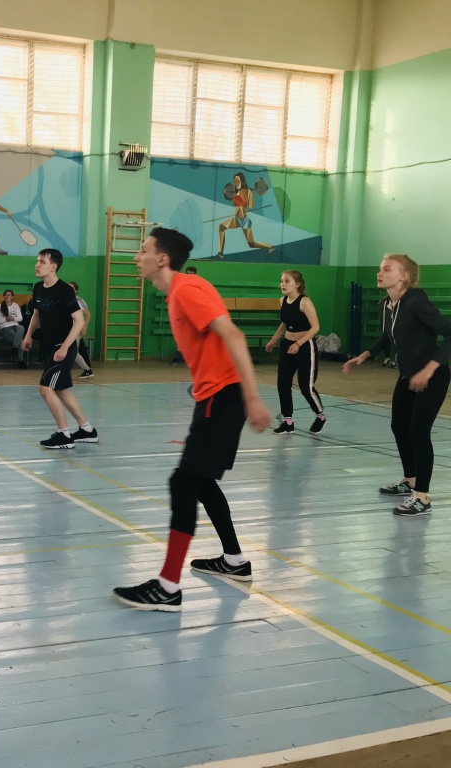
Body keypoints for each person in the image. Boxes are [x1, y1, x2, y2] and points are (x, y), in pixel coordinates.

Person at [112, 227, 271, 612]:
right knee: (200, 481)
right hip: (214, 397)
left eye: (143, 250)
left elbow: (233, 336)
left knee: (183, 482)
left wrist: (252, 398)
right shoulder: (179, 292)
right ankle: (234, 561)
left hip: (224, 397)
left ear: (162, 258)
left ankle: (168, 586)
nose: (136, 257)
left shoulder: (186, 290)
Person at [343, 253, 451, 517]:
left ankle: (422, 498)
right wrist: (366, 354)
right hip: (407, 375)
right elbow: (387, 336)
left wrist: (429, 369)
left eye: (387, 269)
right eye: (380, 268)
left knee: (419, 431)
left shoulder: (416, 301)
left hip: (433, 375)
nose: (379, 273)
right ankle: (410, 480)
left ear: (404, 276)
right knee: (399, 426)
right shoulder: (385, 304)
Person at [21, 248, 98, 448]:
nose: (37, 265)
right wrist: (28, 335)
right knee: (61, 390)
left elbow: (79, 321)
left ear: (53, 267)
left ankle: (64, 435)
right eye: (37, 261)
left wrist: (64, 347)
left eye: (42, 262)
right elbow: (36, 315)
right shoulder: (38, 288)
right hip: (49, 346)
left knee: (45, 388)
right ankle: (87, 430)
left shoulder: (65, 290)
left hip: (63, 348)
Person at [264, 270, 325, 434]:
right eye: (281, 281)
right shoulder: (282, 300)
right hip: (287, 345)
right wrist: (274, 339)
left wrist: (298, 344)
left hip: (305, 346)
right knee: (283, 384)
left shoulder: (304, 302)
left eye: (287, 281)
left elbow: (315, 327)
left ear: (297, 284)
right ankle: (288, 422)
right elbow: (285, 323)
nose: (283, 284)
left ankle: (320, 416)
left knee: (306, 387)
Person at [216, 172, 273, 259]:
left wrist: (249, 195)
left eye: (237, 181)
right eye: (234, 181)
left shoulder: (248, 192)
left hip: (244, 220)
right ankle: (220, 253)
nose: (236, 183)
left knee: (251, 244)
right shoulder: (235, 192)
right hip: (236, 219)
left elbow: (251, 206)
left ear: (242, 181)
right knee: (221, 227)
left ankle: (270, 247)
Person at [170, 265, 198, 365]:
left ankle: (193, 358)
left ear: (195, 274)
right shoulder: (181, 284)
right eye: (188, 273)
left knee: (194, 337)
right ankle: (178, 357)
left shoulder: (198, 285)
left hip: (194, 314)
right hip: (183, 313)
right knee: (181, 335)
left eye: (191, 273)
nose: (189, 275)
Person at [0, 289, 27, 369]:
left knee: (21, 327)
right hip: (5, 327)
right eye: (5, 295)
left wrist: (13, 318)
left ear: (12, 297)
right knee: (21, 341)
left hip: (15, 325)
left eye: (9, 295)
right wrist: (6, 319)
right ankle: (21, 361)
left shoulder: (16, 306)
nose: (7, 296)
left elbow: (20, 318)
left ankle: (15, 348)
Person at [68, 282, 94, 379]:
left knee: (72, 351)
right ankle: (87, 370)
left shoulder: (79, 301)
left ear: (75, 291)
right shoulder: (64, 300)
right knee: (71, 351)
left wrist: (84, 327)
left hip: (76, 329)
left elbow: (88, 315)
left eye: (71, 288)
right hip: (67, 329)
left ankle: (87, 370)